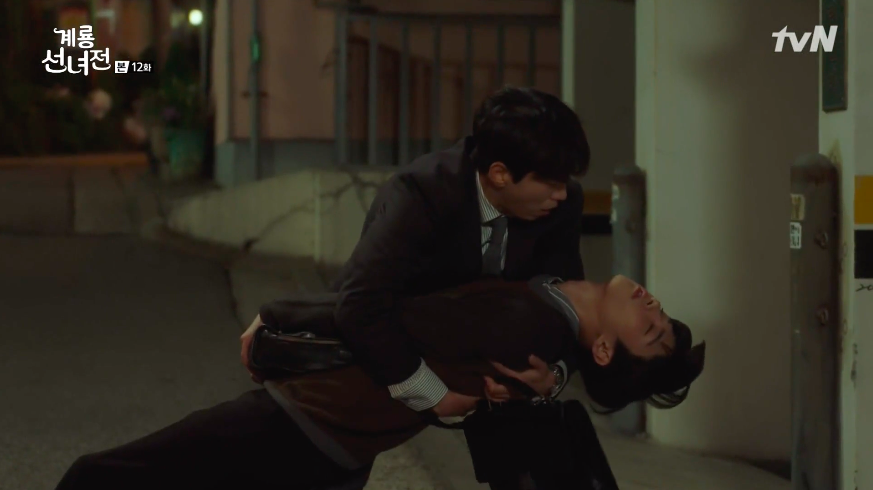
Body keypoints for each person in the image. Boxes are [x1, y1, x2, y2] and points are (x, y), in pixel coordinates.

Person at [54, 273, 706, 490]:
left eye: (651, 332)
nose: (652, 308)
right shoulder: (551, 303)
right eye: (660, 317)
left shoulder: (529, 325)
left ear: (603, 348)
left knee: (100, 478)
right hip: (338, 442)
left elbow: (380, 318)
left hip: (309, 424)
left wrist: (278, 315)